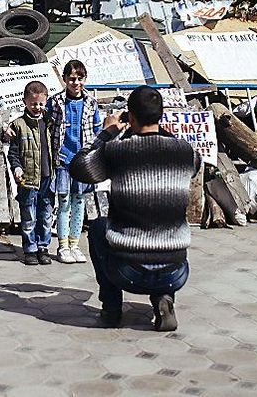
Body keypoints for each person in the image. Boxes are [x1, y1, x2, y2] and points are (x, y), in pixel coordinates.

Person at [70, 86, 198, 331]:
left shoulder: (117, 151)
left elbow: (78, 166)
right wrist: (167, 136)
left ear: (130, 117)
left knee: (98, 226)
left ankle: (111, 308)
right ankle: (164, 298)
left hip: (127, 271)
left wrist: (106, 133)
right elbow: (196, 164)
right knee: (169, 225)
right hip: (176, 271)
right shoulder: (184, 151)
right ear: (161, 116)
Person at [47, 60, 101, 264]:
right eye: (71, 79)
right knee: (63, 203)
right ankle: (62, 246)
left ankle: (75, 244)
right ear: (64, 79)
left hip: (83, 161)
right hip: (63, 160)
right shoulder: (56, 101)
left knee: (79, 202)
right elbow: (46, 125)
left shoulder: (91, 103)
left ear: (84, 79)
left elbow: (97, 132)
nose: (75, 83)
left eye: (79, 79)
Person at [7, 81, 57, 266]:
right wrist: (17, 168)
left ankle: (43, 247)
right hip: (27, 180)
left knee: (45, 216)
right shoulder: (18, 125)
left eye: (41, 104)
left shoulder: (50, 122)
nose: (37, 107)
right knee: (28, 217)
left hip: (47, 178)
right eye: (33, 104)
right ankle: (30, 249)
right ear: (25, 102)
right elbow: (13, 152)